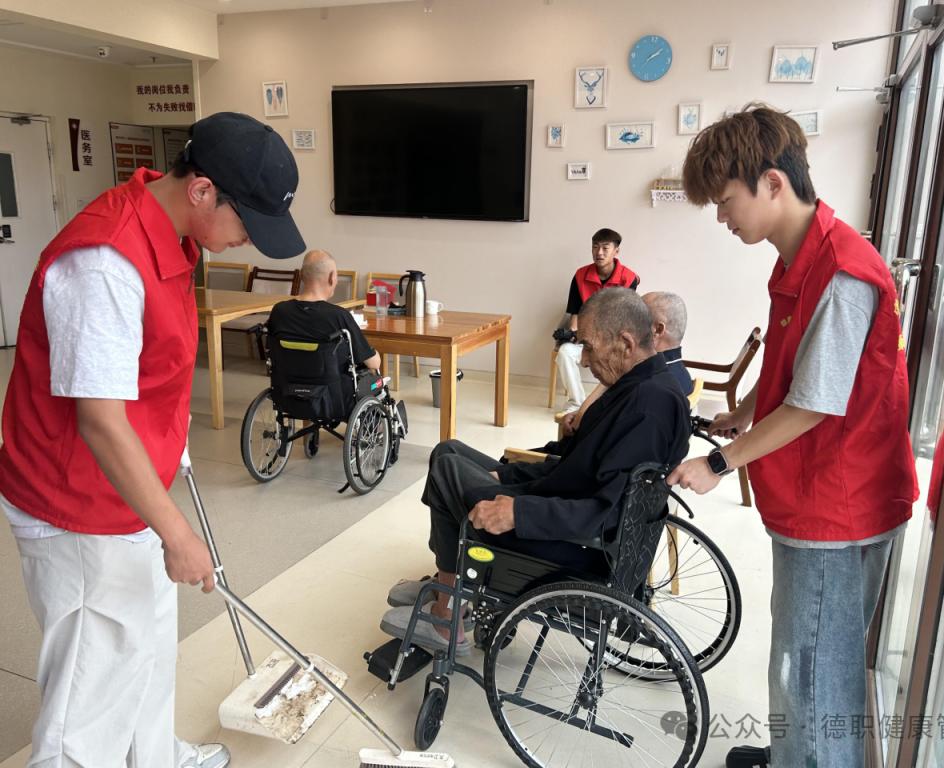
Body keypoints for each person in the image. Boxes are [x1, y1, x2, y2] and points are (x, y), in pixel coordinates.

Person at [0, 112, 305, 768]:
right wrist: (177, 533)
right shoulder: (105, 261)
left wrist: (172, 441)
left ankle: (153, 755)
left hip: (126, 488)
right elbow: (100, 420)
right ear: (202, 190)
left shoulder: (170, 234)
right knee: (91, 684)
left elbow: (147, 368)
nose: (249, 240)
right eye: (247, 222)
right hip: (78, 504)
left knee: (146, 638)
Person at [668, 105, 918, 768]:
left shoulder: (841, 272)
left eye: (726, 201)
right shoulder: (801, 259)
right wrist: (747, 408)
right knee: (802, 659)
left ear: (772, 183)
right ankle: (791, 756)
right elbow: (797, 365)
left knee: (811, 672)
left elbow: (812, 404)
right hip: (821, 491)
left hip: (838, 503)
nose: (722, 218)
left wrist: (719, 461)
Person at [381, 288, 690, 653]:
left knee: (447, 471)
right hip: (559, 505)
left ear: (625, 343)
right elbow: (576, 468)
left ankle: (446, 616)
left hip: (569, 542)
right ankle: (449, 583)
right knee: (448, 450)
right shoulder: (641, 388)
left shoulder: (647, 408)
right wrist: (511, 475)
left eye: (588, 347)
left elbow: (607, 515)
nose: (583, 360)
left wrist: (519, 512)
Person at [562, 290, 693, 437]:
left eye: (639, 318)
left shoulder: (656, 387)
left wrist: (583, 415)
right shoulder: (677, 374)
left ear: (657, 330)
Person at [555, 228, 640, 410]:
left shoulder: (628, 278)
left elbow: (625, 318)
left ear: (616, 251)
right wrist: (573, 336)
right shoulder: (580, 275)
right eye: (595, 247)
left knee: (628, 360)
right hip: (586, 338)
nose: (599, 252)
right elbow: (575, 313)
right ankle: (577, 403)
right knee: (565, 352)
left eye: (605, 248)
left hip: (614, 340)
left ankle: (612, 405)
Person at [267, 249, 381, 372]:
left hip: (285, 381)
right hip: (331, 383)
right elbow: (373, 363)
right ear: (331, 278)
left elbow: (270, 348)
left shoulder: (279, 311)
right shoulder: (338, 316)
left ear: (301, 275)